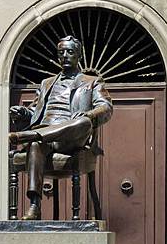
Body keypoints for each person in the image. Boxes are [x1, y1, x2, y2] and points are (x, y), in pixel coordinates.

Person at [9, 35, 113, 220]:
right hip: (45, 133)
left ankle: (31, 135)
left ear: (78, 55)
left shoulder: (92, 82)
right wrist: (23, 113)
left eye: (70, 52)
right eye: (61, 52)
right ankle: (35, 205)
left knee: (83, 122)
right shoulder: (46, 83)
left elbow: (106, 107)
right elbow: (35, 111)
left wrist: (89, 114)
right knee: (35, 144)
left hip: (71, 137)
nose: (65, 55)